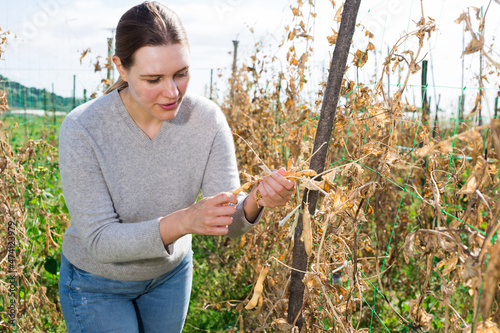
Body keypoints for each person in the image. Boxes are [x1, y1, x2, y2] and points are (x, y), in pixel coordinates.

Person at [57, 2, 295, 332]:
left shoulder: (207, 120)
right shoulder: (83, 127)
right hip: (97, 284)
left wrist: (257, 199)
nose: (172, 92)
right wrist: (184, 221)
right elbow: (100, 240)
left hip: (170, 278)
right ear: (121, 68)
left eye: (181, 74)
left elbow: (231, 221)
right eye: (153, 78)